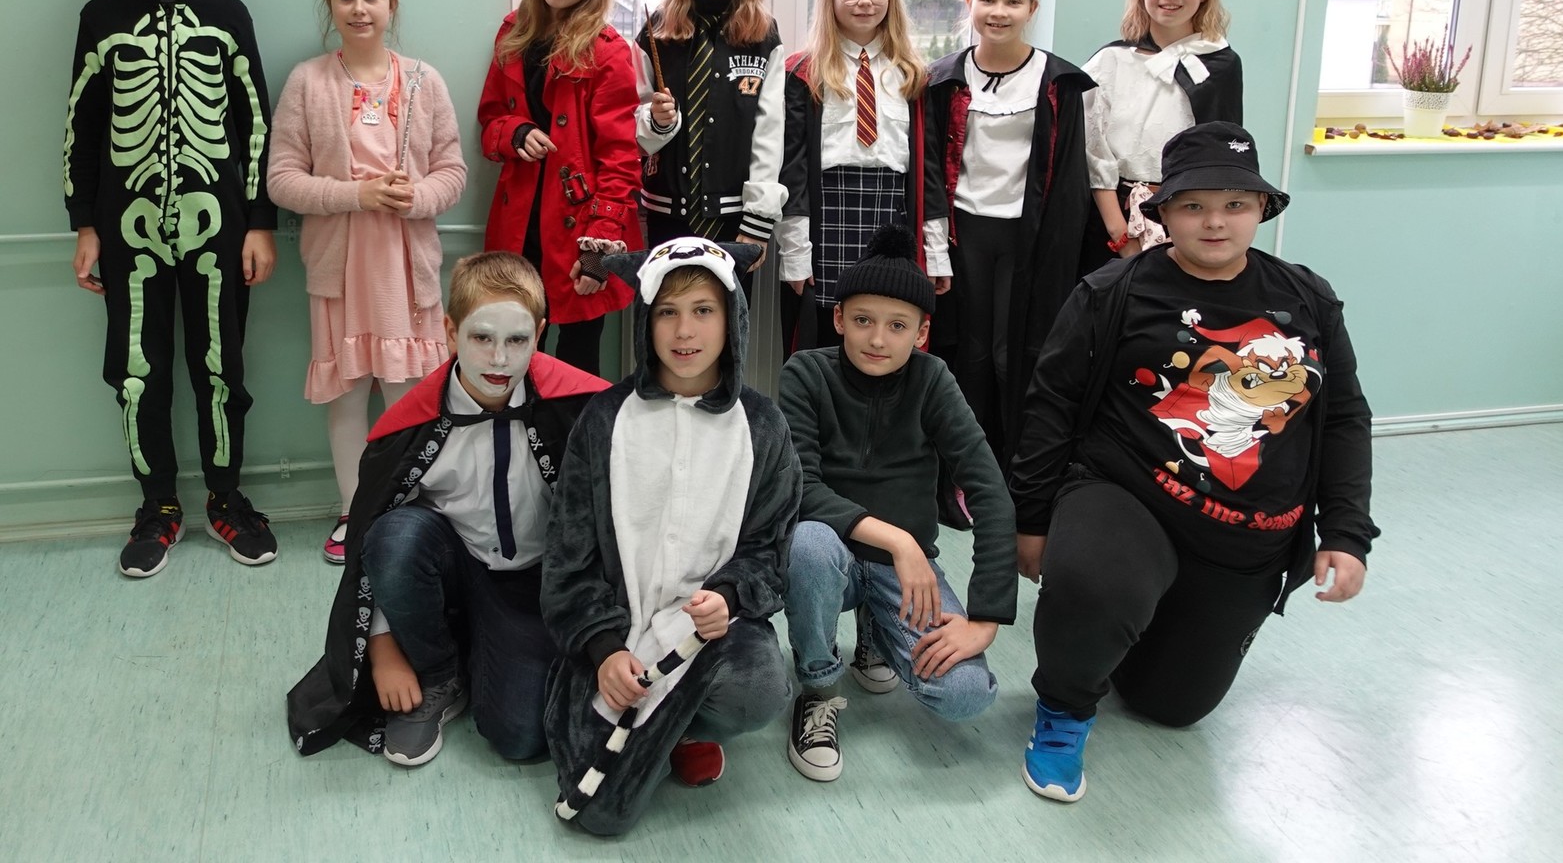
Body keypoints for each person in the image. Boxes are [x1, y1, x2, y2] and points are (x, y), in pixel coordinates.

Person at [1008, 122, 1378, 804]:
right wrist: (1030, 520)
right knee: (1094, 586)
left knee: (1172, 707)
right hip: (1128, 494)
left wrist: (1346, 531)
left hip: (1247, 536)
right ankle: (1063, 708)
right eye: (1193, 205)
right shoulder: (1111, 293)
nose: (1214, 222)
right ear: (1163, 211)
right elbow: (1049, 408)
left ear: (1261, 208)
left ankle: (1140, 624)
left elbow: (1344, 417)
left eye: (1235, 204)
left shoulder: (1308, 299)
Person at [286, 251, 609, 767]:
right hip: (455, 569)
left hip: (539, 582)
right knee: (395, 535)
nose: (499, 359)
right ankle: (440, 672)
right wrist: (384, 649)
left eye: (517, 340)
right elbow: (372, 542)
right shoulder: (412, 426)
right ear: (451, 332)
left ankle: (494, 652)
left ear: (540, 333)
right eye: (481, 337)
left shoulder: (580, 406)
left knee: (522, 736)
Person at [543, 237, 799, 836]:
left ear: (731, 318)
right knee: (596, 810)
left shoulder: (762, 426)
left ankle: (684, 728)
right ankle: (651, 725)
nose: (685, 331)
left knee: (760, 688)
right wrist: (604, 649)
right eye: (667, 312)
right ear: (645, 319)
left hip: (707, 638)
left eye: (703, 310)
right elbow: (569, 558)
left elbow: (770, 548)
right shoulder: (604, 420)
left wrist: (730, 597)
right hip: (616, 631)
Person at [64, 0, 277, 577]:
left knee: (221, 367)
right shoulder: (101, 17)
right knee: (136, 371)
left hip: (219, 224)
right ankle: (157, 504)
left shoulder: (229, 15)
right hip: (126, 226)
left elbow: (254, 122)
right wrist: (83, 223)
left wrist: (260, 221)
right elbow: (82, 123)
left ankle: (225, 496)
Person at [779, 225, 1015, 783]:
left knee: (964, 693)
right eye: (863, 320)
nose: (878, 339)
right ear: (839, 318)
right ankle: (818, 689)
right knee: (808, 543)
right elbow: (799, 486)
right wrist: (900, 540)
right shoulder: (805, 373)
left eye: (897, 325)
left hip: (900, 575)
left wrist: (985, 618)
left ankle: (877, 635)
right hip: (832, 557)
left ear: (922, 332)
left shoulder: (933, 381)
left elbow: (989, 490)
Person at [268, 0, 468, 564]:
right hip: (341, 267)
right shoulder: (307, 82)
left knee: (408, 395)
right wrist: (356, 194)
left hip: (405, 268)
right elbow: (282, 181)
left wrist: (415, 198)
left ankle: (405, 509)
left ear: (392, 5)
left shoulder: (424, 82)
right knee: (348, 395)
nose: (360, 8)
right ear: (330, 3)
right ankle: (355, 511)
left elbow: (452, 171)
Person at [924, 0, 1095, 469]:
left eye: (1013, 1)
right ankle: (964, 469)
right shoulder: (942, 79)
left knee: (1015, 353)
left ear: (1033, 7)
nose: (999, 12)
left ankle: (1018, 466)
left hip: (1029, 236)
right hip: (965, 232)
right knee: (968, 352)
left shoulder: (1057, 82)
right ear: (969, 2)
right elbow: (929, 168)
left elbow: (1070, 181)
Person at [478, 0, 643, 376]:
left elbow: (621, 159)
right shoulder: (512, 32)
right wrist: (515, 132)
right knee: (509, 350)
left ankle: (571, 430)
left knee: (575, 363)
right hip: (518, 224)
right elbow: (489, 121)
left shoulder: (608, 51)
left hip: (580, 231)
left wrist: (599, 249)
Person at [634, 0, 794, 284]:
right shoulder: (655, 34)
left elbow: (769, 132)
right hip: (667, 215)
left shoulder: (764, 36)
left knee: (728, 319)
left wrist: (758, 221)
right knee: (668, 314)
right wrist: (657, 122)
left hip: (736, 220)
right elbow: (637, 131)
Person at [777, 0, 947, 353]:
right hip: (827, 219)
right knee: (824, 338)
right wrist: (796, 253)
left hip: (893, 218)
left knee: (885, 337)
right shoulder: (803, 72)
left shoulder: (913, 74)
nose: (865, 1)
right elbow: (792, 170)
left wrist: (936, 252)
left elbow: (929, 171)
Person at [1083, 0, 1242, 262]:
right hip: (1110, 222)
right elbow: (1092, 152)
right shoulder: (1111, 62)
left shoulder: (1221, 66)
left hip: (1188, 222)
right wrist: (1120, 232)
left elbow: (1223, 161)